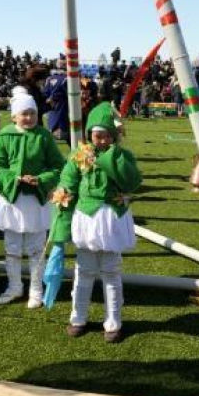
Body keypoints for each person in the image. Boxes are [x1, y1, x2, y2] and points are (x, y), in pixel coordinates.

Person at [49, 102, 142, 343]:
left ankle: (113, 323)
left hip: (112, 219)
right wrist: (62, 196)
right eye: (96, 135)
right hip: (86, 219)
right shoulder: (80, 154)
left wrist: (112, 156)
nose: (100, 141)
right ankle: (78, 317)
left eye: (106, 136)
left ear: (114, 135)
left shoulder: (122, 155)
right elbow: (68, 182)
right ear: (89, 133)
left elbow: (132, 182)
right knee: (84, 271)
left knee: (111, 272)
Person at [0, 88, 65, 308]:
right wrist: (15, 178)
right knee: (11, 247)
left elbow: (59, 166)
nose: (28, 117)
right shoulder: (4, 136)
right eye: (24, 113)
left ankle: (36, 289)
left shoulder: (44, 137)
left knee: (36, 247)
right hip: (12, 199)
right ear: (14, 116)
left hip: (35, 200)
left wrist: (40, 179)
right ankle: (14, 286)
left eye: (32, 113)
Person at [44, 54, 70, 143]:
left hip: (51, 105)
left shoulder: (49, 78)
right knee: (62, 120)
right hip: (63, 105)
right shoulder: (67, 79)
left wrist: (50, 98)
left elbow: (45, 93)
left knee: (52, 119)